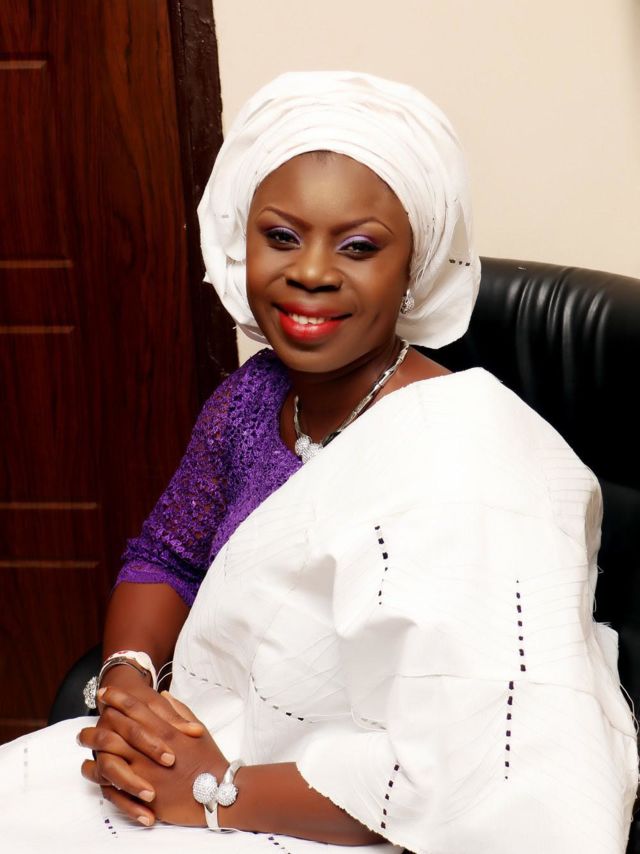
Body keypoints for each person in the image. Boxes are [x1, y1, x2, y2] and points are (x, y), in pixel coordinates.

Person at [0, 71, 637, 854]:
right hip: (207, 748)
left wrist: (213, 791)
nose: (310, 271)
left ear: (414, 266)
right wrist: (128, 691)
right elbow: (167, 554)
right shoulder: (251, 398)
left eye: (359, 246)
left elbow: (471, 771)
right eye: (280, 236)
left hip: (351, 813)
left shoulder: (470, 453)